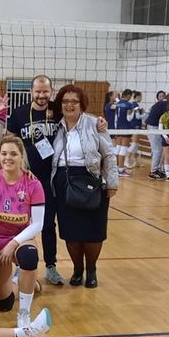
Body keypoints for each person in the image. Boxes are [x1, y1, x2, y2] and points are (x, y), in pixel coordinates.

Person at [51, 85, 119, 289]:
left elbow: (109, 154)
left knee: (93, 231)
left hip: (92, 181)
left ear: (82, 104)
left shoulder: (94, 123)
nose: (69, 105)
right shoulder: (56, 125)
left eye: (74, 101)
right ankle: (77, 270)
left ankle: (91, 271)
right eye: (65, 101)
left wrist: (112, 183)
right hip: (64, 181)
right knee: (70, 232)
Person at [0, 136, 44, 328]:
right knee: (3, 303)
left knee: (29, 256)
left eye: (13, 154)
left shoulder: (33, 184)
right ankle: (24, 282)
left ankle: (24, 314)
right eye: (4, 153)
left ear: (21, 156)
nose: (8, 158)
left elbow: (37, 224)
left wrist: (13, 244)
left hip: (20, 240)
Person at [7, 75, 64, 286]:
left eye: (45, 91)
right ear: (31, 91)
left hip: (51, 178)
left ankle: (51, 267)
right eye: (38, 91)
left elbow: (80, 117)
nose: (41, 95)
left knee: (48, 224)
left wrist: (100, 122)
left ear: (51, 92)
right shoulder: (19, 113)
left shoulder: (58, 111)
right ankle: (19, 266)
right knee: (21, 224)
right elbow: (10, 140)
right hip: (26, 178)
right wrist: (19, 166)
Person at [146, 91, 168, 179]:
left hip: (154, 127)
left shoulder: (160, 104)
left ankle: (157, 169)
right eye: (160, 96)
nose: (162, 97)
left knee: (159, 150)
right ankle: (153, 171)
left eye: (163, 96)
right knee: (157, 150)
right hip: (153, 127)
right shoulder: (164, 105)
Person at [114, 89, 134, 177]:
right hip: (126, 128)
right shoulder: (129, 105)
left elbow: (115, 118)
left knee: (118, 148)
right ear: (128, 95)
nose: (130, 98)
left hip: (118, 128)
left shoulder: (117, 104)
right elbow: (129, 118)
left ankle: (115, 168)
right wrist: (134, 111)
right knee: (123, 148)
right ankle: (121, 170)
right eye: (130, 96)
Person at [125, 91, 144, 169]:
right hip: (135, 126)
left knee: (136, 144)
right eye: (141, 97)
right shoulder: (135, 105)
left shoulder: (132, 104)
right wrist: (144, 114)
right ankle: (126, 159)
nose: (141, 98)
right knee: (134, 143)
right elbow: (137, 117)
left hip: (133, 126)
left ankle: (135, 162)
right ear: (137, 97)